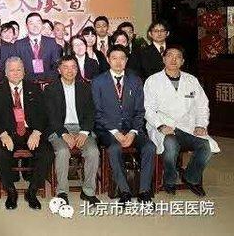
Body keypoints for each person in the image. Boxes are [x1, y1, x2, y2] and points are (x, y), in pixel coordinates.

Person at [144, 46, 219, 197]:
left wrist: (201, 125)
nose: (173, 59)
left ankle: (191, 177)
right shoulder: (153, 80)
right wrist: (161, 126)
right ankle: (169, 180)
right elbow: (148, 108)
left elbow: (202, 105)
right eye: (169, 55)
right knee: (171, 145)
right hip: (163, 126)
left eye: (178, 56)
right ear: (163, 59)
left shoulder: (191, 80)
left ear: (182, 61)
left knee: (205, 147)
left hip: (188, 126)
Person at [0, 57, 53, 210]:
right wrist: (3, 134)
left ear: (24, 71)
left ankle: (32, 191)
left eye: (19, 69)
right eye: (12, 69)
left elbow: (44, 114)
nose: (15, 73)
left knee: (47, 153)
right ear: (5, 72)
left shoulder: (35, 89)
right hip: (8, 133)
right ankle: (11, 191)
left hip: (30, 132)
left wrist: (37, 132)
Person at [92, 45, 155, 205]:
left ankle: (144, 191)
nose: (118, 62)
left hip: (132, 129)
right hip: (107, 130)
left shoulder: (135, 80)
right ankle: (125, 190)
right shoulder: (98, 82)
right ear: (108, 60)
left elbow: (140, 111)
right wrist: (115, 133)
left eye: (122, 58)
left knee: (149, 147)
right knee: (114, 148)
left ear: (127, 60)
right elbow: (97, 113)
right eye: (114, 58)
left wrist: (133, 132)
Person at [44, 56, 100, 206]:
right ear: (59, 70)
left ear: (77, 69)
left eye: (73, 67)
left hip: (82, 129)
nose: (70, 70)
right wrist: (64, 133)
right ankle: (62, 192)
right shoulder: (51, 89)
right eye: (66, 67)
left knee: (93, 152)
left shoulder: (85, 87)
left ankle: (88, 192)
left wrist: (84, 132)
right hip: (59, 129)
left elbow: (91, 112)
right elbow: (51, 116)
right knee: (62, 152)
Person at [15, 12, 62, 81]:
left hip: (48, 84)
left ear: (42, 25)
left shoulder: (51, 42)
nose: (35, 25)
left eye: (38, 22)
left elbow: (56, 65)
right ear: (26, 26)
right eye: (31, 23)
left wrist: (49, 81)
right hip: (26, 83)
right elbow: (16, 67)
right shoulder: (18, 44)